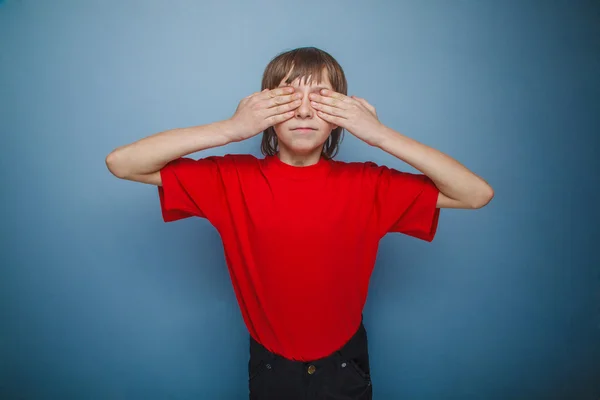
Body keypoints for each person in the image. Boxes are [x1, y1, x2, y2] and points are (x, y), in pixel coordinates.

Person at [105, 46, 494, 400]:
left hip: (345, 365)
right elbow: (122, 163)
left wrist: (380, 135)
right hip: (271, 368)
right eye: (289, 98)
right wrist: (231, 128)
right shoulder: (229, 180)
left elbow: (475, 194)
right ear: (265, 108)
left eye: (321, 100)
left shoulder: (369, 183)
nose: (305, 112)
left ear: (342, 115)